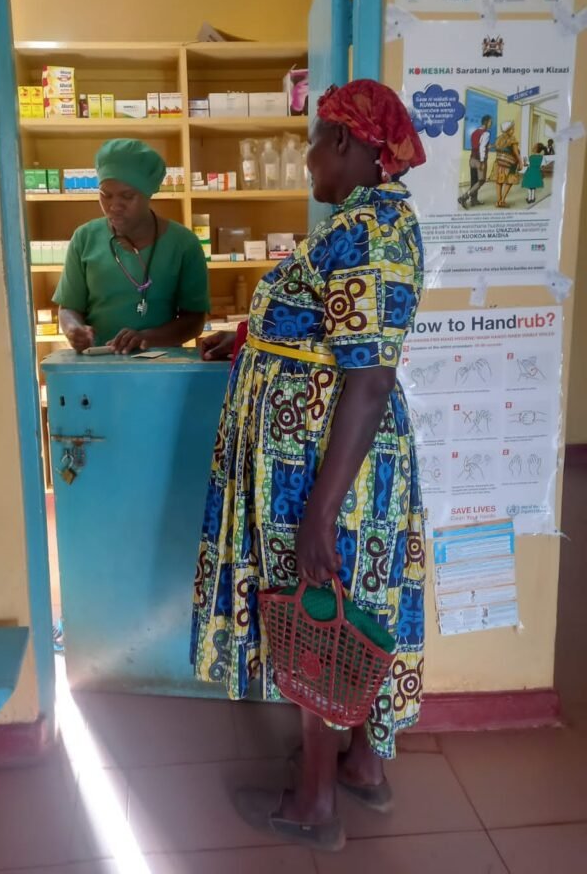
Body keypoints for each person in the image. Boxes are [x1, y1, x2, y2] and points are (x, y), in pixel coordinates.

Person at [191, 79, 426, 851]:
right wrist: (254, 338)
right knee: (347, 601)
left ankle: (316, 804)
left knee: (319, 607)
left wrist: (321, 510)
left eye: (316, 141)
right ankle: (360, 767)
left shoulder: (370, 232)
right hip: (318, 450)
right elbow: (328, 328)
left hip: (323, 465)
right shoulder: (362, 222)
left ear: (352, 148)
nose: (306, 157)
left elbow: (368, 377)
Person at [53, 138, 209, 353]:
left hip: (162, 362)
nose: (114, 206)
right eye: (105, 195)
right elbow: (69, 307)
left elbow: (194, 319)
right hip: (98, 363)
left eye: (127, 196)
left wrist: (147, 338)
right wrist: (74, 329)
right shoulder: (85, 238)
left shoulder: (183, 244)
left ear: (148, 193)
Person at [458, 114, 492, 209]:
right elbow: (481, 148)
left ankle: (474, 200)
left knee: (474, 181)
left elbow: (477, 145)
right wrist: (482, 162)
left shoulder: (474, 132)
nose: (491, 123)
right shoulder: (486, 133)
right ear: (486, 122)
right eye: (490, 122)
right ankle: (464, 197)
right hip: (479, 160)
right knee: (481, 180)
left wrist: (489, 146)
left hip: (472, 159)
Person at [490, 120, 523, 208]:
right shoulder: (513, 139)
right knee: (509, 181)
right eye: (512, 129)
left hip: (499, 163)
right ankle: (503, 200)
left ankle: (498, 201)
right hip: (510, 164)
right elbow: (516, 153)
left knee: (499, 181)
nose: (513, 130)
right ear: (508, 130)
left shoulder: (499, 139)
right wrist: (521, 162)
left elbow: (494, 147)